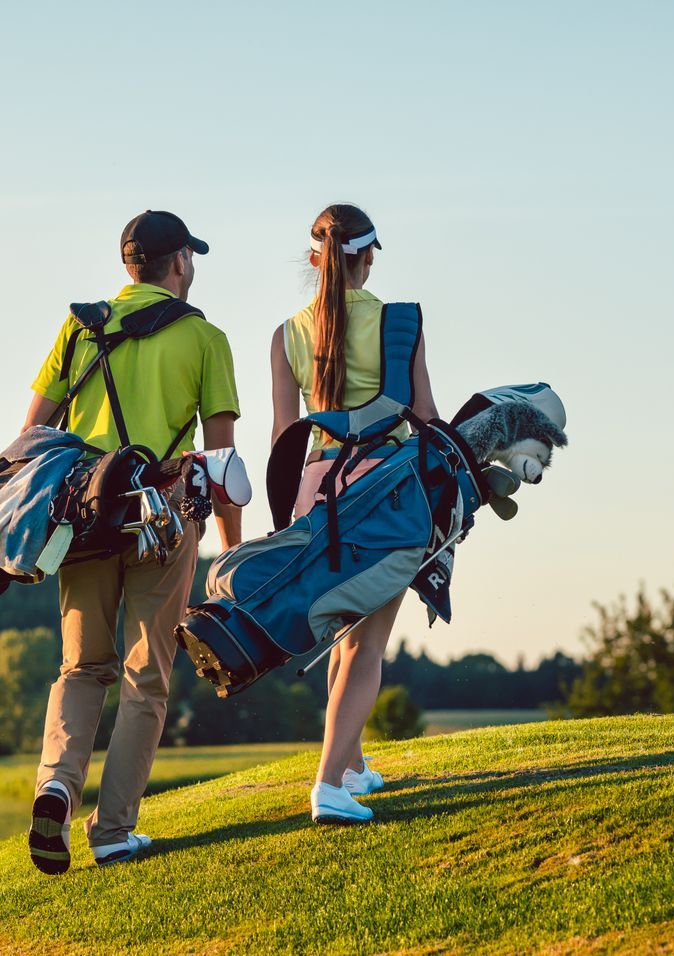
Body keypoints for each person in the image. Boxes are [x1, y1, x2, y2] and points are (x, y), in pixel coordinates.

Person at [21, 210, 243, 871]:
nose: (192, 267)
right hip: (164, 517)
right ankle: (113, 830)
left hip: (85, 518)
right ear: (177, 263)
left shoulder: (78, 329)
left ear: (128, 267)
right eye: (190, 258)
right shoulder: (205, 337)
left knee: (82, 667)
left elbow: (31, 436)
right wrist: (230, 554)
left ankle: (56, 784)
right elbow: (221, 464)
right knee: (145, 678)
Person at [271, 203, 436, 823]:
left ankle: (351, 766)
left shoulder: (286, 332)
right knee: (368, 646)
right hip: (384, 492)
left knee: (342, 635)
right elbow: (423, 415)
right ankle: (328, 788)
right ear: (365, 258)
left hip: (317, 488)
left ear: (316, 260)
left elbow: (285, 435)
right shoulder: (401, 322)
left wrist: (288, 517)